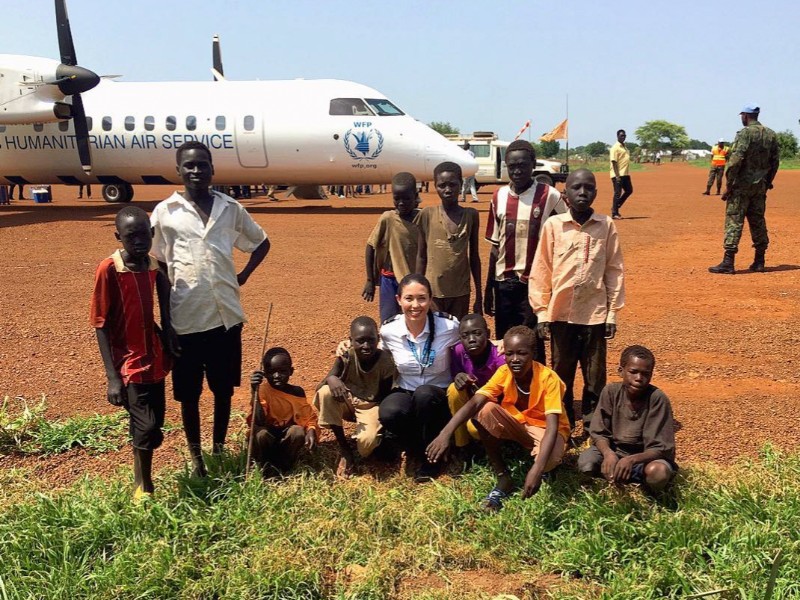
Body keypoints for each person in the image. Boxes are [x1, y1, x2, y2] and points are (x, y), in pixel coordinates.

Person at [150, 141, 270, 477]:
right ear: (178, 171)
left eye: (202, 164)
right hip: (185, 318)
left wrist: (242, 275)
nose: (196, 171)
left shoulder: (230, 208)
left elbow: (261, 241)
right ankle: (196, 458)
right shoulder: (165, 212)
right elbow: (158, 265)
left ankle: (217, 450)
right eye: (189, 166)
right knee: (188, 395)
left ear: (212, 168)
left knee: (222, 389)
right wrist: (166, 322)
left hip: (225, 317)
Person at [426, 326, 570, 511]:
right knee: (484, 410)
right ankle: (503, 476)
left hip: (546, 430)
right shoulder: (504, 372)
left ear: (533, 353)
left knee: (548, 461)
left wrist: (537, 469)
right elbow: (475, 403)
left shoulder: (549, 379)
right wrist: (445, 433)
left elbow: (552, 427)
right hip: (519, 424)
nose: (515, 360)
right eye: (509, 354)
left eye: (522, 353)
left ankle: (543, 468)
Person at [530, 169, 625, 430]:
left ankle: (595, 426)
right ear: (566, 194)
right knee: (562, 373)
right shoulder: (553, 226)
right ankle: (563, 423)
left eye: (589, 188)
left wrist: (612, 313)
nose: (583, 192)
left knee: (595, 375)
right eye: (576, 188)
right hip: (560, 315)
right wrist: (541, 313)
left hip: (594, 314)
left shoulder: (605, 225)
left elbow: (613, 270)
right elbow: (542, 270)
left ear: (595, 192)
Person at [90, 206, 175, 499]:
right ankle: (143, 485)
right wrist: (112, 378)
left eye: (144, 235)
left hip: (154, 357)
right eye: (130, 236)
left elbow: (165, 302)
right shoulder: (110, 269)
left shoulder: (153, 267)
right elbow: (100, 323)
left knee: (155, 424)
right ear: (118, 237)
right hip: (128, 361)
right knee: (147, 425)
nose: (138, 241)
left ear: (152, 235)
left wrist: (170, 339)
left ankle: (142, 473)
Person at [484, 139, 567, 352]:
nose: (517, 171)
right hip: (504, 282)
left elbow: (567, 231)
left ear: (533, 164)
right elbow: (495, 247)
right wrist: (489, 288)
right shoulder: (498, 196)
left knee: (533, 340)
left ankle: (536, 385)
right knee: (505, 342)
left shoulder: (550, 196)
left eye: (522, 165)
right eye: (512, 166)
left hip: (536, 284)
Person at [378, 273, 460, 482]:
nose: (416, 305)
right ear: (398, 300)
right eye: (409, 298)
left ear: (430, 299)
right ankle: (414, 447)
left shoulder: (449, 327)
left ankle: (434, 458)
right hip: (406, 388)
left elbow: (473, 341)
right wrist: (346, 347)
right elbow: (375, 353)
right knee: (390, 412)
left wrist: (498, 343)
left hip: (438, 394)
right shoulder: (389, 330)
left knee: (425, 396)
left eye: (422, 298)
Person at [577, 345, 677, 494]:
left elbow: (660, 448)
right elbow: (599, 432)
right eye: (633, 372)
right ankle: (606, 484)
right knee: (586, 462)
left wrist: (631, 460)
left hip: (645, 458)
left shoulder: (657, 399)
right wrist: (608, 454)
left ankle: (651, 495)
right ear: (620, 371)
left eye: (645, 374)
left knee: (658, 472)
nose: (638, 378)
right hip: (615, 450)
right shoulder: (610, 392)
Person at [314, 316, 396, 477]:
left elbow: (385, 399)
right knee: (325, 392)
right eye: (360, 341)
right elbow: (319, 387)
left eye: (371, 340)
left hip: (371, 405)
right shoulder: (346, 356)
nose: (366, 346)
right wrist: (332, 379)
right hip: (347, 401)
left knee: (366, 446)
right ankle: (344, 448)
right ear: (351, 340)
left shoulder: (386, 361)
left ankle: (371, 442)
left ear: (378, 339)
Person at [709, 104, 779, 275]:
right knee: (758, 220)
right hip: (760, 185)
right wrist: (768, 181)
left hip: (741, 186)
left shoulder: (745, 133)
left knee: (734, 220)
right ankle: (759, 261)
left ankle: (728, 262)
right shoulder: (771, 134)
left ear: (746, 116)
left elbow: (735, 160)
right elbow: (775, 162)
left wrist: (728, 185)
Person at [416, 161, 482, 320]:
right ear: (435, 186)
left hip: (461, 292)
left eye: (452, 184)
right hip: (434, 292)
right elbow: (421, 256)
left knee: (457, 334)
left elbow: (474, 256)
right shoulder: (427, 214)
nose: (447, 190)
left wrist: (479, 294)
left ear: (461, 185)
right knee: (435, 334)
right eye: (442, 185)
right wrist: (418, 291)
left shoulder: (471, 215)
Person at [363, 172, 421, 323]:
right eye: (397, 198)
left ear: (416, 196)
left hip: (413, 281)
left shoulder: (423, 219)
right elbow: (370, 246)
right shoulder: (388, 218)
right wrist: (370, 280)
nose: (401, 203)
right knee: (388, 322)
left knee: (414, 320)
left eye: (406, 198)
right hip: (390, 279)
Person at [249, 347, 318, 473]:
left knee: (297, 432)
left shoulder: (297, 392)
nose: (276, 376)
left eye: (282, 371)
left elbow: (308, 418)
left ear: (290, 371)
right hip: (266, 434)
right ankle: (263, 467)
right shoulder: (262, 390)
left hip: (285, 436)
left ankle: (283, 467)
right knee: (261, 434)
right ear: (264, 373)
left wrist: (311, 430)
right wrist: (255, 393)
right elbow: (258, 421)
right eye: (271, 372)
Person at [446, 313, 505, 452]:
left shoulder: (499, 358)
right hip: (471, 403)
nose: (471, 340)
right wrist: (459, 377)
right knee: (454, 389)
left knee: (475, 429)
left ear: (488, 333)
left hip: (494, 407)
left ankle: (496, 445)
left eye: (477, 333)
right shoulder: (458, 351)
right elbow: (456, 375)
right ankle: (463, 446)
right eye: (465, 336)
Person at [610, 129, 632, 219]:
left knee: (629, 190)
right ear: (617, 136)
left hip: (625, 174)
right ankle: (615, 213)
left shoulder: (624, 147)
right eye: (621, 135)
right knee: (617, 193)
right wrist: (617, 176)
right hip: (618, 175)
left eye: (624, 135)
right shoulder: (615, 147)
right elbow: (614, 162)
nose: (623, 137)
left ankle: (616, 205)